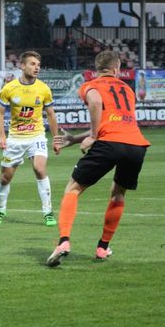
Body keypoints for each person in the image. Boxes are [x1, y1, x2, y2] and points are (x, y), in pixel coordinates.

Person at [46, 51, 150, 267]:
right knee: (118, 194)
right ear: (116, 68)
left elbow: (95, 101)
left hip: (109, 143)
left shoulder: (91, 85)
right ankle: (103, 247)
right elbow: (113, 123)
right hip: (136, 145)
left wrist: (93, 136)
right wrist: (75, 139)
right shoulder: (128, 90)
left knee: (73, 189)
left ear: (97, 68)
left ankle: (63, 241)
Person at [0, 51, 60, 226]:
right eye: (32, 64)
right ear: (22, 66)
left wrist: (56, 138)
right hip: (15, 138)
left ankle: (48, 212)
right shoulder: (9, 88)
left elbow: (51, 114)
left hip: (37, 136)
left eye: (38, 65)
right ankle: (0, 210)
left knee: (39, 169)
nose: (37, 67)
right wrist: (2, 136)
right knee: (5, 177)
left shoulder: (43, 89)